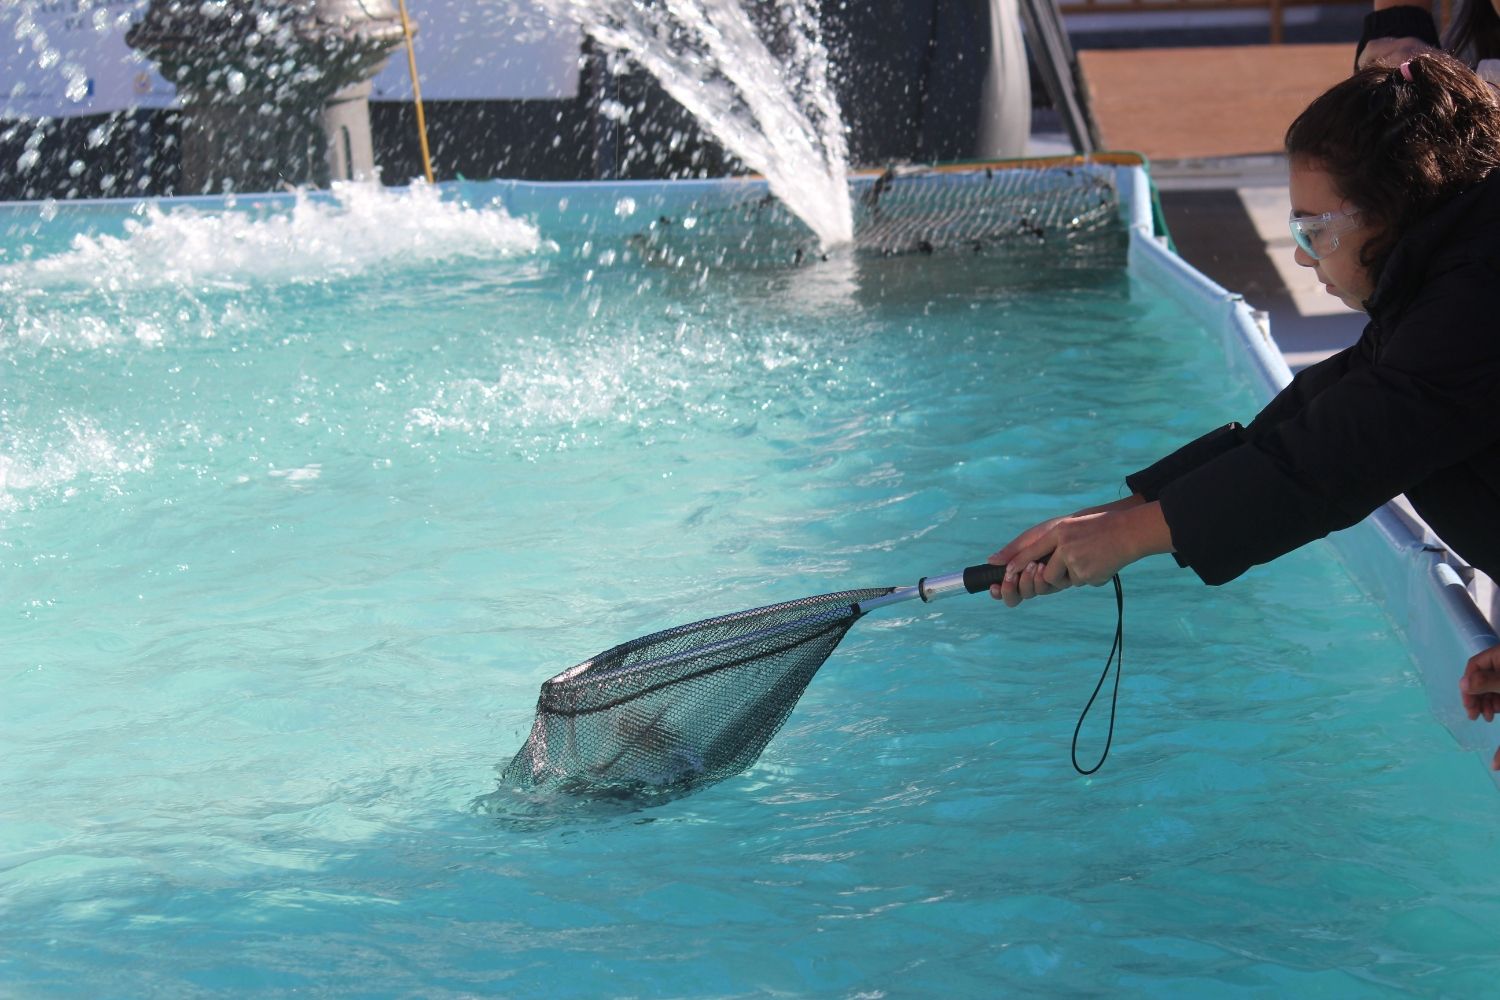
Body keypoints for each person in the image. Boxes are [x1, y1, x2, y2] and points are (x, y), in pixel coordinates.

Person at [987, 54, 1500, 766]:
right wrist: (1119, 513)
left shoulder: (1477, 301)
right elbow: (1327, 406)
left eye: (1313, 232)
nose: (1300, 257)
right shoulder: (1460, 263)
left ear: (1394, 209)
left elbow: (1339, 455)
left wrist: (1137, 536)